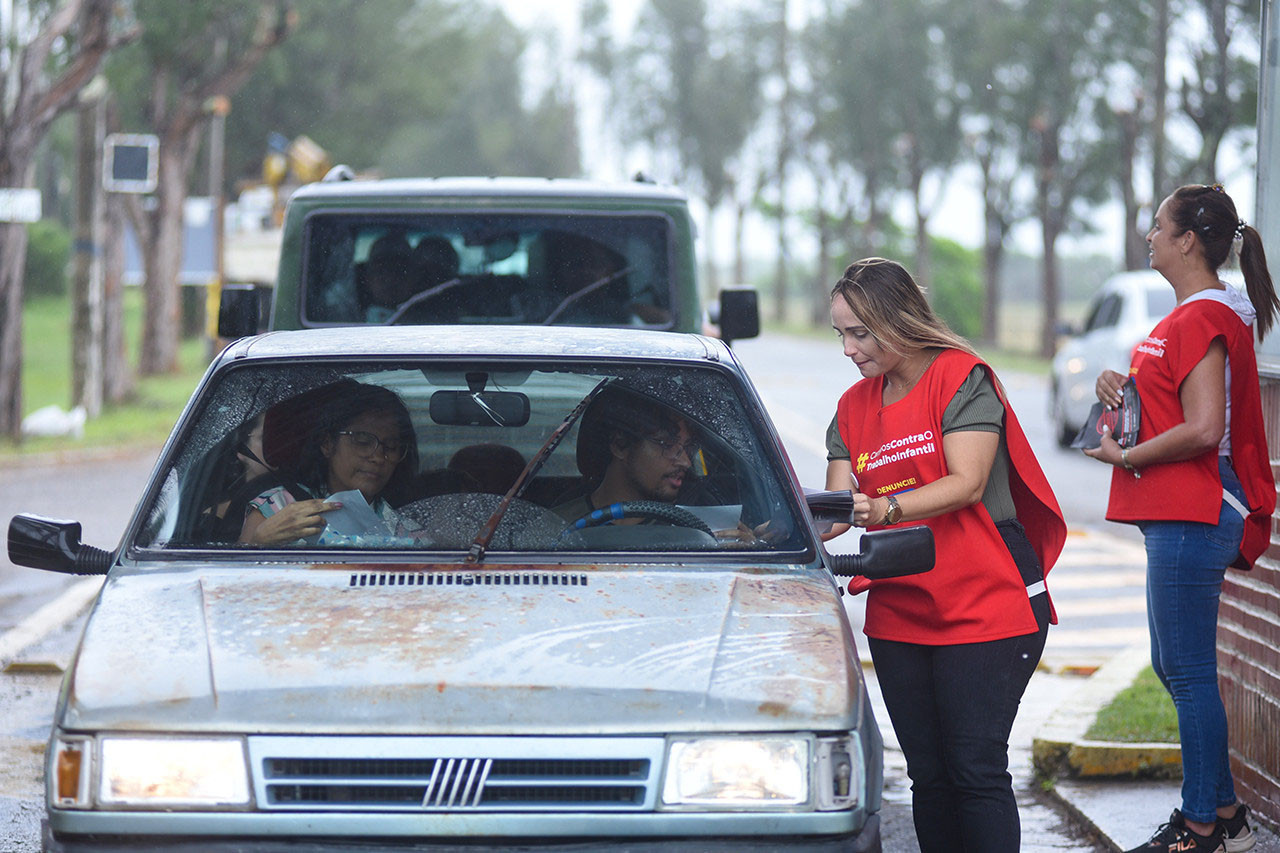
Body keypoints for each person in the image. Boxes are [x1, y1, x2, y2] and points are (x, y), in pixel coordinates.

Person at [824, 257, 1066, 852]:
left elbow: (969, 481)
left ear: (897, 319)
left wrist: (885, 509)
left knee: (975, 771)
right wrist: (756, 524)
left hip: (987, 608)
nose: (849, 349)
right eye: (840, 334)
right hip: (901, 614)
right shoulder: (854, 406)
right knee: (929, 778)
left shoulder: (960, 377)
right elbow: (833, 509)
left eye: (860, 332)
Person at [1083, 183, 1277, 853]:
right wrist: (1122, 386)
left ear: (1188, 239)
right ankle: (1225, 814)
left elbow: (1202, 429)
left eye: (1158, 225)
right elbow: (1182, 407)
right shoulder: (1193, 315)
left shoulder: (1202, 317)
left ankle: (1200, 829)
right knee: (1176, 666)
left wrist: (1126, 454)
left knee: (1188, 671)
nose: (1150, 234)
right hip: (1183, 510)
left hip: (1194, 510)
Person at [239, 382, 420, 546]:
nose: (378, 457)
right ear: (327, 444)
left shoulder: (407, 532)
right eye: (363, 441)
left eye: (391, 447)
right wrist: (260, 541)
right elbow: (234, 574)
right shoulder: (277, 508)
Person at [554, 388, 699, 522]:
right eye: (666, 444)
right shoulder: (556, 527)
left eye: (688, 447)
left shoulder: (695, 528)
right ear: (620, 445)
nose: (686, 462)